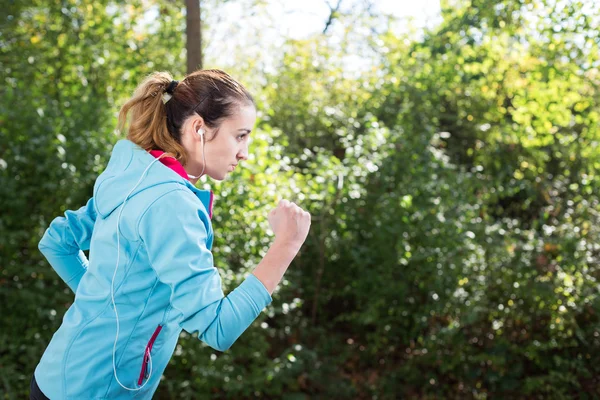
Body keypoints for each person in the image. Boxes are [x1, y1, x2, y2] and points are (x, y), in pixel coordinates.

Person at [31, 69, 311, 399]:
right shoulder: (171, 204)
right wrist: (286, 245)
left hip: (57, 376)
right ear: (198, 128)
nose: (244, 153)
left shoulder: (136, 174)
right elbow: (217, 328)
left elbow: (57, 242)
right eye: (240, 135)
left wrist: (109, 306)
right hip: (93, 391)